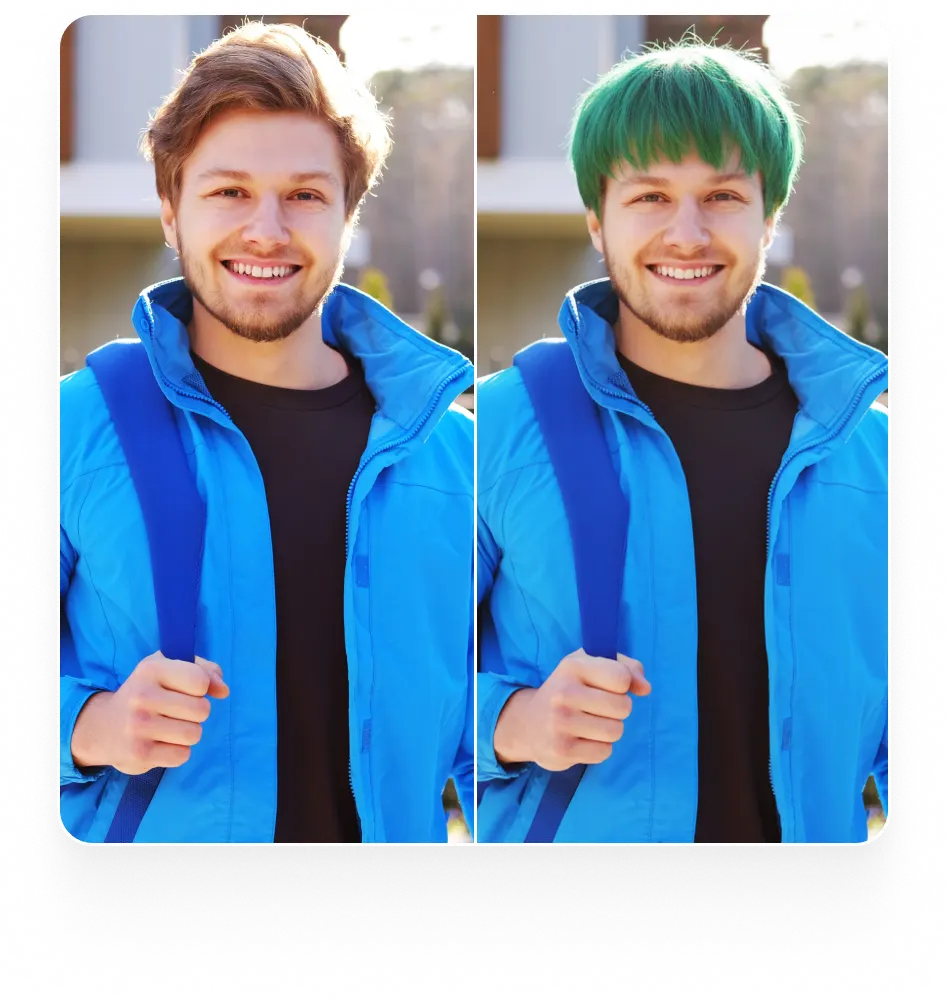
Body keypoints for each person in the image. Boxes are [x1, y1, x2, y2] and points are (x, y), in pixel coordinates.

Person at [59, 22, 474, 844]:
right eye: (230, 192)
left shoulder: (455, 460)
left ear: (348, 215)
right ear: (171, 211)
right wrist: (87, 725)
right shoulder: (70, 431)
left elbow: (501, 744)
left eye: (306, 195)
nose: (267, 231)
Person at [475, 40, 888, 843]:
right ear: (598, 221)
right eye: (651, 196)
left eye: (723, 196)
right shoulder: (496, 431)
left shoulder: (876, 462)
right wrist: (512, 720)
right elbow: (379, 680)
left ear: (770, 217)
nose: (688, 234)